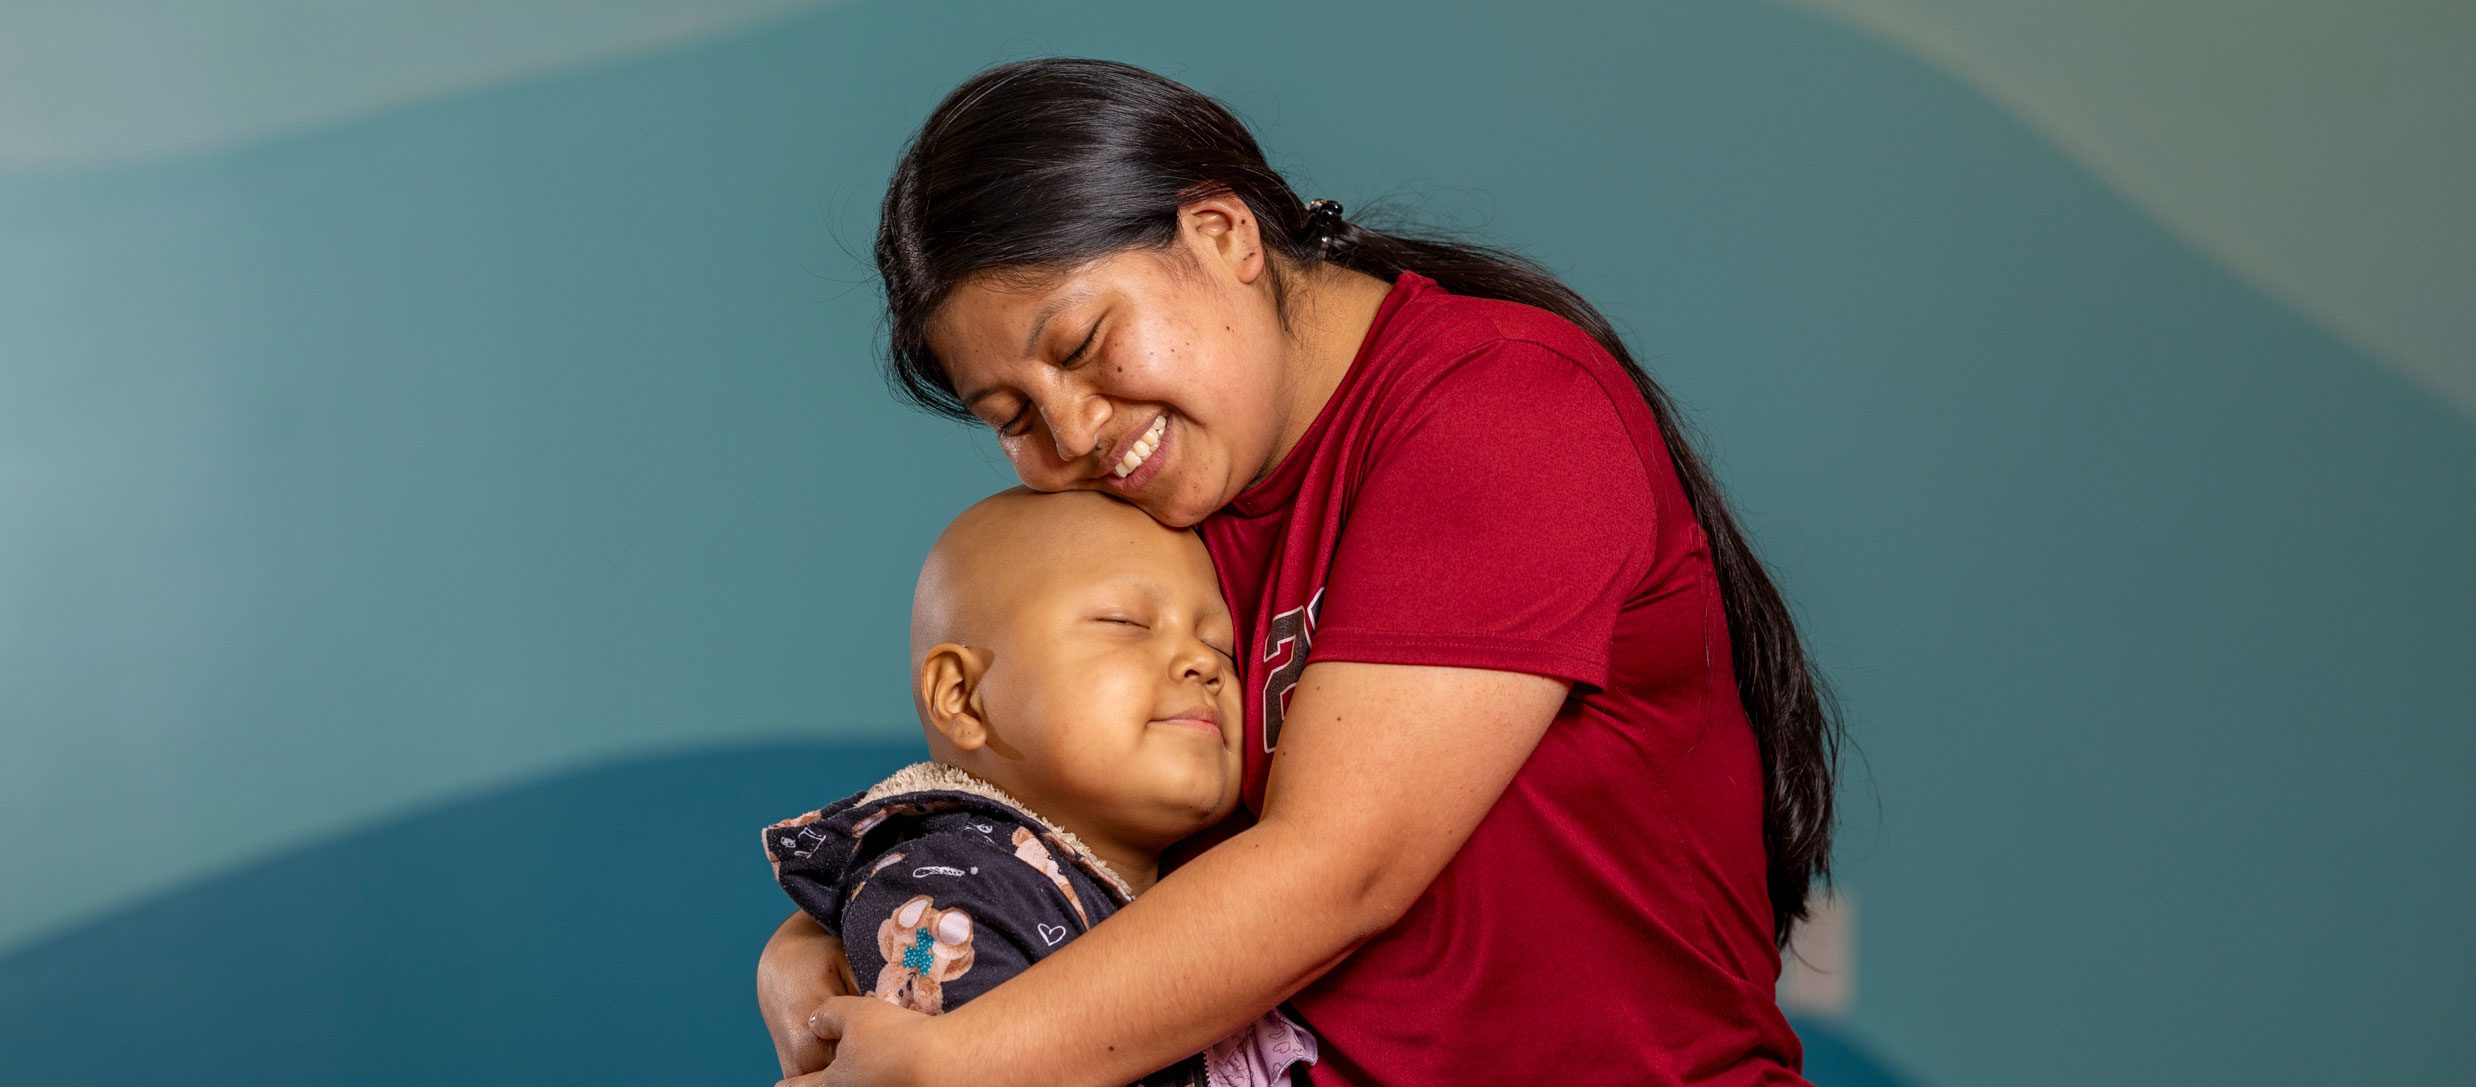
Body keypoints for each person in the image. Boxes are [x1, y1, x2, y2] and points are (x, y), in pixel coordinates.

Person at [758, 57, 1842, 1087]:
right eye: (1014, 416)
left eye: (1086, 344)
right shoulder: (1161, 505)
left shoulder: (1503, 411)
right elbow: (1038, 797)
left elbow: (1340, 868)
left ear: (1222, 231)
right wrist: (835, 924)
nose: (1077, 429)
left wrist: (971, 1060)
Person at [760, 488, 1315, 1087]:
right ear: (964, 697)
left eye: (1221, 648)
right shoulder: (947, 896)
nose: (1202, 664)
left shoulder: (1182, 880)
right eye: (1125, 622)